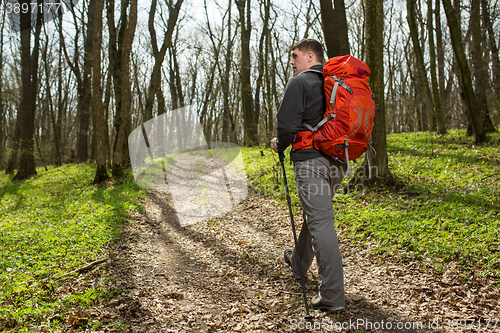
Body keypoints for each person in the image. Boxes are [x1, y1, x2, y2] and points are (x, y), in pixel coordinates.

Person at [270, 38, 346, 314]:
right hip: (338, 161)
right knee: (314, 216)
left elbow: (287, 125)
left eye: (295, 56)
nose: (292, 62)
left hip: (311, 161)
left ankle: (332, 295)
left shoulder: (300, 82)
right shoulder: (336, 84)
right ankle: (299, 264)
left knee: (320, 222)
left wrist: (279, 143)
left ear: (310, 55)